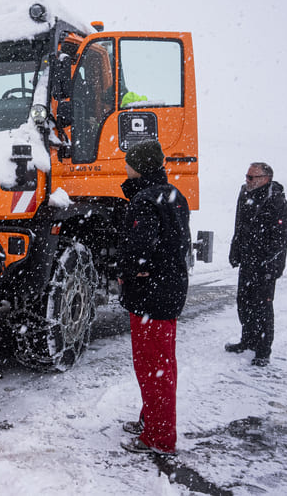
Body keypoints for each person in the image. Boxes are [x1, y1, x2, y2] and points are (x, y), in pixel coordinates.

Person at [116, 140, 191, 456]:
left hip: (152, 296)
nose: (125, 167)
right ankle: (152, 422)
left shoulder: (145, 200)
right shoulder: (174, 195)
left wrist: (131, 270)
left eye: (129, 162)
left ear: (139, 166)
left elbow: (141, 248)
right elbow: (178, 242)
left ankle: (160, 438)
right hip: (168, 290)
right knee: (161, 365)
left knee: (153, 368)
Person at [226, 162, 287, 367]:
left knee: (262, 307)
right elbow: (239, 227)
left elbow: (280, 239)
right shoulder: (245, 195)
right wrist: (235, 251)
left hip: (266, 266)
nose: (247, 180)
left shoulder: (277, 202)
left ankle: (263, 351)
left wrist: (269, 264)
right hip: (247, 261)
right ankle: (248, 340)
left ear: (266, 178)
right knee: (244, 303)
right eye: (247, 176)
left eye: (252, 177)